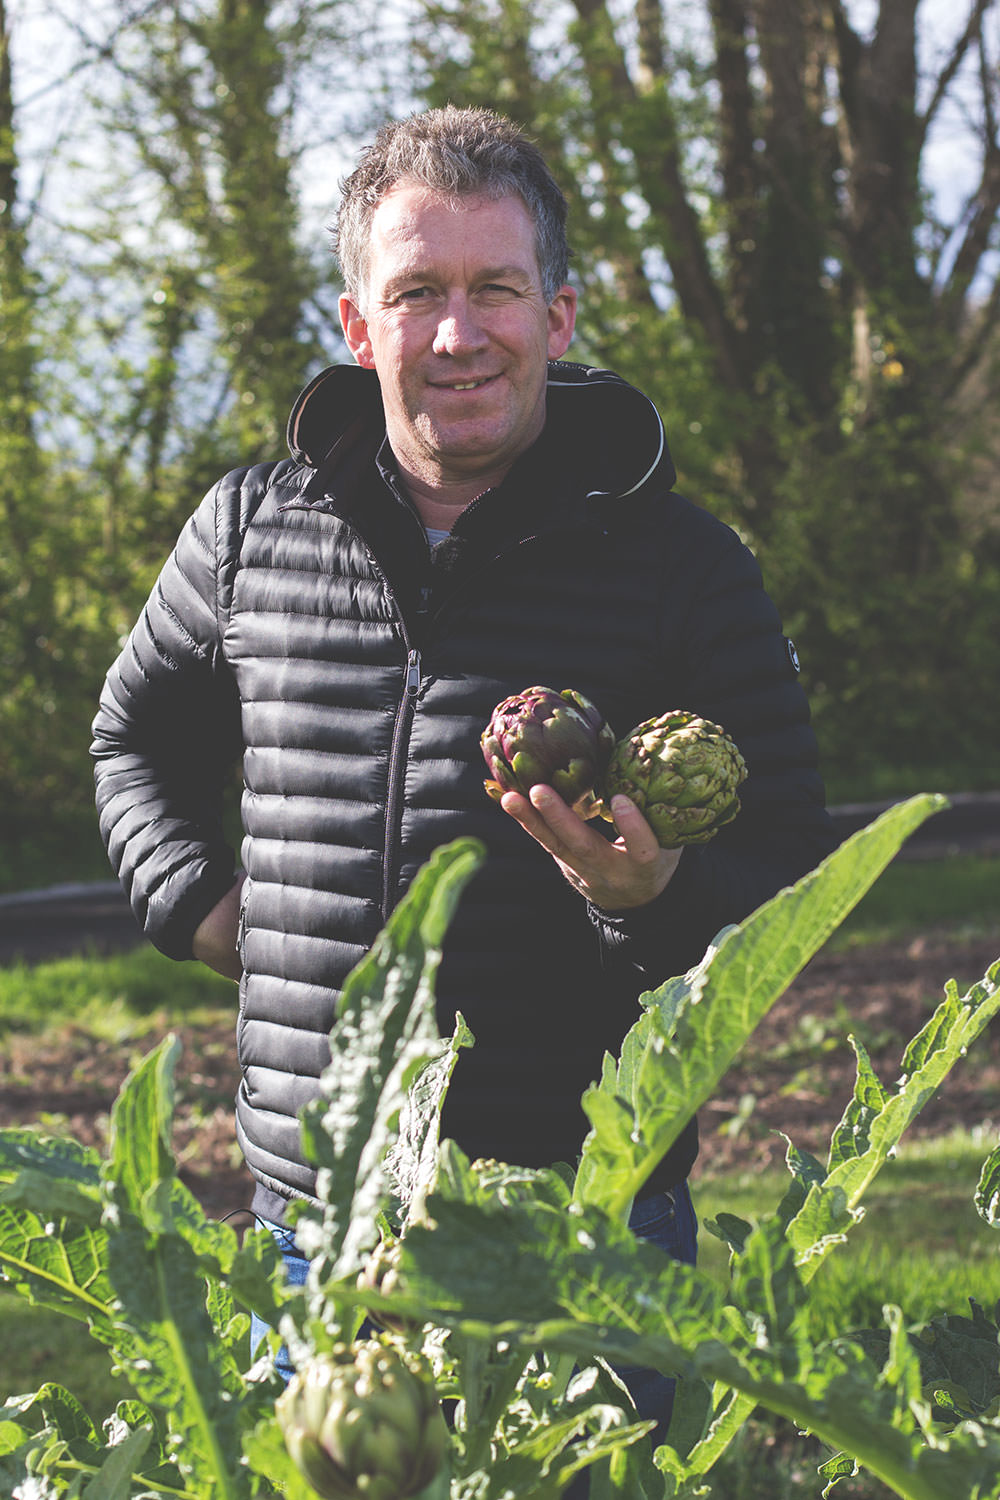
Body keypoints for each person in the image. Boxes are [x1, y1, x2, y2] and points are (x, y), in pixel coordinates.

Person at [91, 104, 836, 1457]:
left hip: (581, 1232)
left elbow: (794, 858)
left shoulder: (681, 565)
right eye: (416, 293)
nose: (456, 334)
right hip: (315, 1232)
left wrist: (651, 892)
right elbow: (129, 734)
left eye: (494, 290)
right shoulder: (249, 531)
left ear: (557, 317)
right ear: (358, 324)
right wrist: (197, 904)